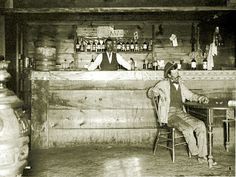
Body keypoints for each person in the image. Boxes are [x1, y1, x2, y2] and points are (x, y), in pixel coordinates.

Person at [147, 62, 217, 165]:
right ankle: (197, 153)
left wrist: (200, 98)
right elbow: (150, 92)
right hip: (169, 115)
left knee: (201, 125)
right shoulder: (163, 83)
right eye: (174, 71)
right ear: (169, 74)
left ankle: (202, 156)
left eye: (177, 70)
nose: (177, 72)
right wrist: (155, 92)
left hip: (180, 113)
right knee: (187, 129)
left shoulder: (180, 84)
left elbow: (190, 95)